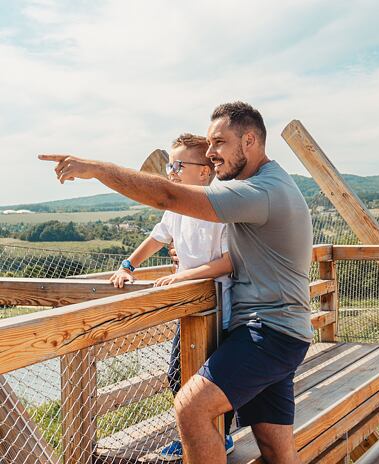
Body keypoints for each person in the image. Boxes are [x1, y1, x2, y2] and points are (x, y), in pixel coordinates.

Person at [39, 101, 313, 464]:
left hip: (267, 332)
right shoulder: (266, 185)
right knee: (276, 449)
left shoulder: (260, 191)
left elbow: (168, 196)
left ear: (249, 140)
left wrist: (97, 169)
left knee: (191, 408)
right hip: (281, 330)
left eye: (219, 143)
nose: (212, 153)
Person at [108, 133, 235, 461]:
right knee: (178, 374)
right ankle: (196, 436)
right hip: (188, 305)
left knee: (213, 378)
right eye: (169, 164)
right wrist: (127, 266)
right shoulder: (176, 208)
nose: (171, 170)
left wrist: (183, 275)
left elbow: (229, 260)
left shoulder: (220, 208)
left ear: (204, 172)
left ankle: (218, 437)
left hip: (219, 307)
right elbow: (155, 239)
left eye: (179, 164)